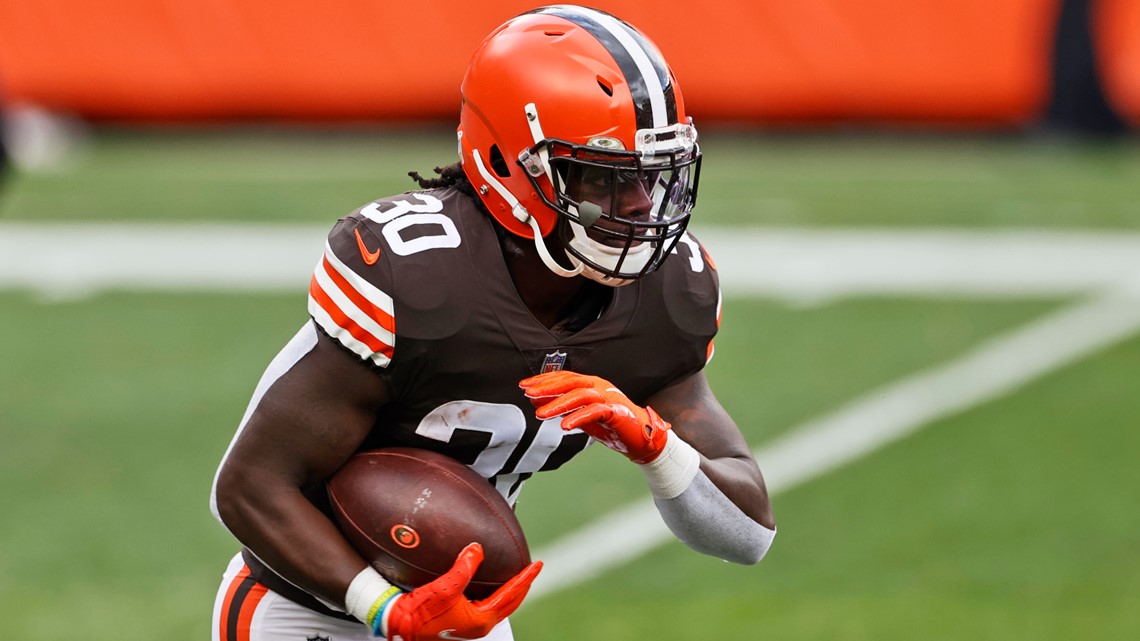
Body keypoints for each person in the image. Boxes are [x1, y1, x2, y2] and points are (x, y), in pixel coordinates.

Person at [209, 5, 776, 641]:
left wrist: (655, 445)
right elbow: (250, 487)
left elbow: (748, 536)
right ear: (509, 164)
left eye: (651, 177)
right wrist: (386, 609)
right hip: (305, 608)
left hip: (467, 618)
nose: (643, 207)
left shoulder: (665, 296)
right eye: (604, 177)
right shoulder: (419, 277)